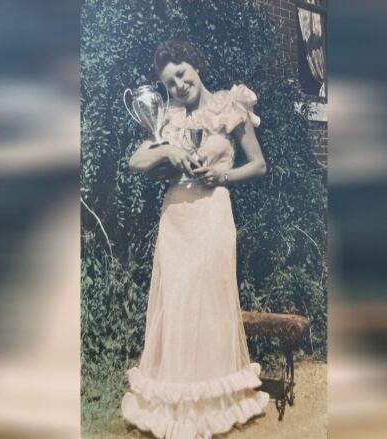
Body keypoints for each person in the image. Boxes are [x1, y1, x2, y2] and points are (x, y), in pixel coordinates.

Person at [121, 40, 270, 439]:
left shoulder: (229, 105)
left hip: (213, 214)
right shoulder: (166, 119)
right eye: (170, 82)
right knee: (179, 301)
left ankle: (215, 401)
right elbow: (136, 161)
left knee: (210, 300)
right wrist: (167, 150)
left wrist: (223, 176)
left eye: (182, 73)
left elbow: (258, 165)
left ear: (197, 66)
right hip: (177, 219)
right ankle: (178, 398)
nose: (179, 84)